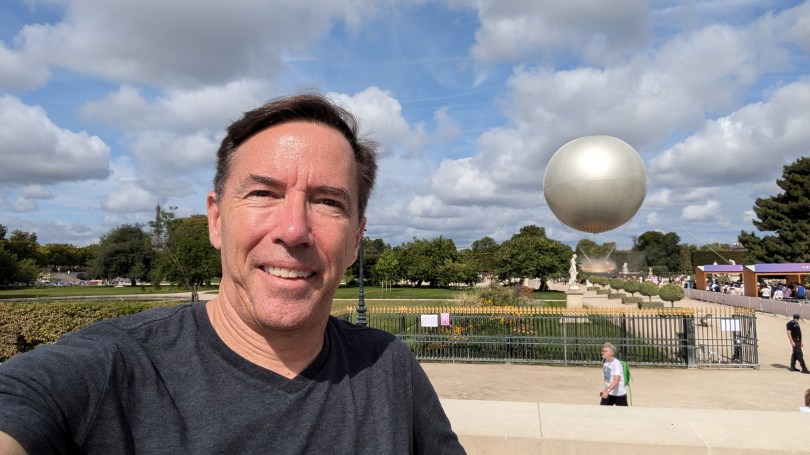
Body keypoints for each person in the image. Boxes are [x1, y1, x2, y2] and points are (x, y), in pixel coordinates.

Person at [0, 93, 465, 454]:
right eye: (263, 193)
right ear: (217, 219)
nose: (293, 230)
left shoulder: (387, 366)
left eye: (328, 202)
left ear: (355, 239)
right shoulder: (107, 371)